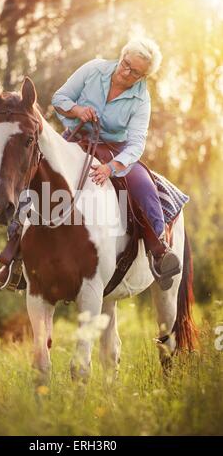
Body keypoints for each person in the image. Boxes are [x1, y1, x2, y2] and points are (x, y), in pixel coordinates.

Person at [51, 37, 181, 290]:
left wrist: (111, 168)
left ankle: (159, 251)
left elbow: (135, 144)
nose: (125, 73)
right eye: (125, 64)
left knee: (144, 185)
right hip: (76, 138)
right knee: (37, 168)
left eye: (135, 72)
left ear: (143, 77)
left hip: (113, 151)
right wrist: (77, 110)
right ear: (121, 56)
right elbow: (59, 98)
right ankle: (14, 250)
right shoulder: (93, 69)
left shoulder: (141, 100)